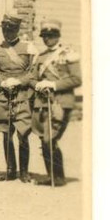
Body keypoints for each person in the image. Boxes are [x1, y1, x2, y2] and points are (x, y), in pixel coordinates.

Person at [31, 18, 82, 186]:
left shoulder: (68, 54)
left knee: (49, 139)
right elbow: (32, 78)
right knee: (44, 140)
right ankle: (52, 176)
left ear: (58, 36)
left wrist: (53, 84)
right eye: (45, 36)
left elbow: (76, 79)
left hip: (60, 103)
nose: (48, 39)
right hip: (42, 103)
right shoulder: (41, 56)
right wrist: (38, 84)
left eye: (51, 36)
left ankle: (58, 177)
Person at [0, 12, 38, 182]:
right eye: (5, 30)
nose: (7, 33)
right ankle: (10, 170)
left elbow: (33, 73)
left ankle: (24, 172)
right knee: (6, 133)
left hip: (22, 96)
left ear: (17, 30)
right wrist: (2, 82)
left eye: (11, 30)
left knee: (23, 133)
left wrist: (18, 81)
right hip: (3, 96)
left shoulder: (28, 48)